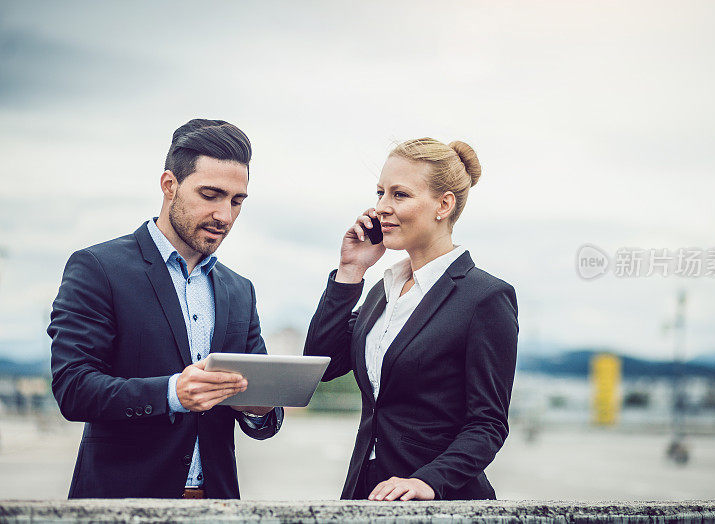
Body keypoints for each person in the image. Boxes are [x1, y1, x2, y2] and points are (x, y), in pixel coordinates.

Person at [48, 119, 284, 499]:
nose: (224, 215)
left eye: (236, 201)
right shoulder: (98, 268)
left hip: (218, 505)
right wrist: (172, 392)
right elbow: (73, 388)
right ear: (169, 185)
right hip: (121, 506)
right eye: (211, 195)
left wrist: (257, 408)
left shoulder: (240, 290)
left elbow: (262, 414)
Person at [304, 138, 518, 501]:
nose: (381, 207)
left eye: (399, 195)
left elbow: (488, 424)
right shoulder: (382, 293)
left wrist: (428, 481)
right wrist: (350, 270)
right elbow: (321, 364)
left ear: (444, 205)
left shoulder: (485, 298)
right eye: (380, 192)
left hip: (437, 500)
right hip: (366, 491)